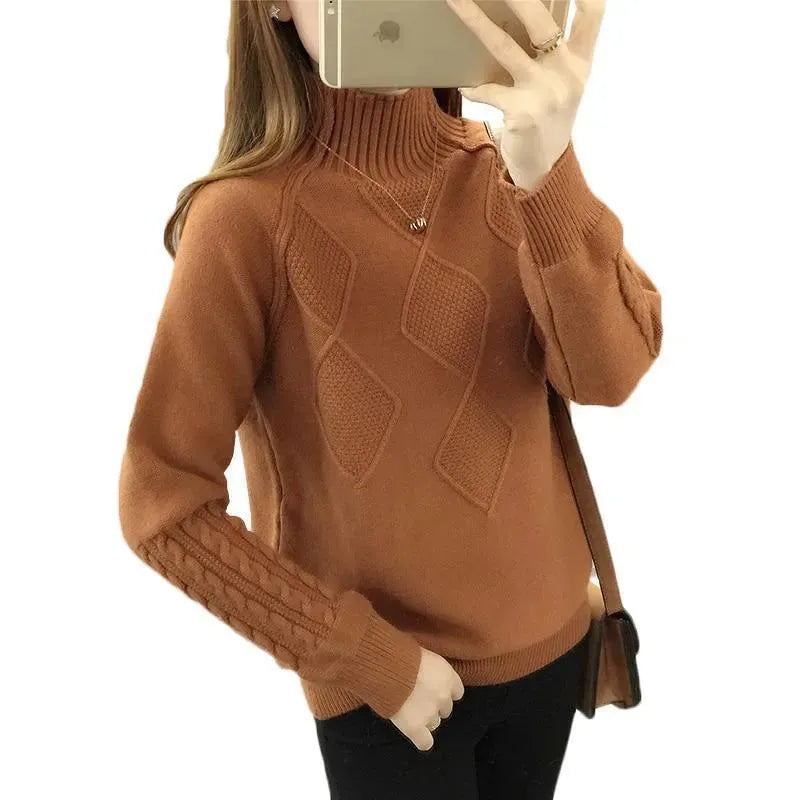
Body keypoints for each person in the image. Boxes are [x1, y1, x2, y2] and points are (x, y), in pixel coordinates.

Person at [118, 1, 662, 797]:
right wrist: (353, 654)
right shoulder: (243, 220)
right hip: (390, 697)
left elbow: (611, 374)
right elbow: (161, 502)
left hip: (553, 649)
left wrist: (550, 173)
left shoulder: (508, 167)